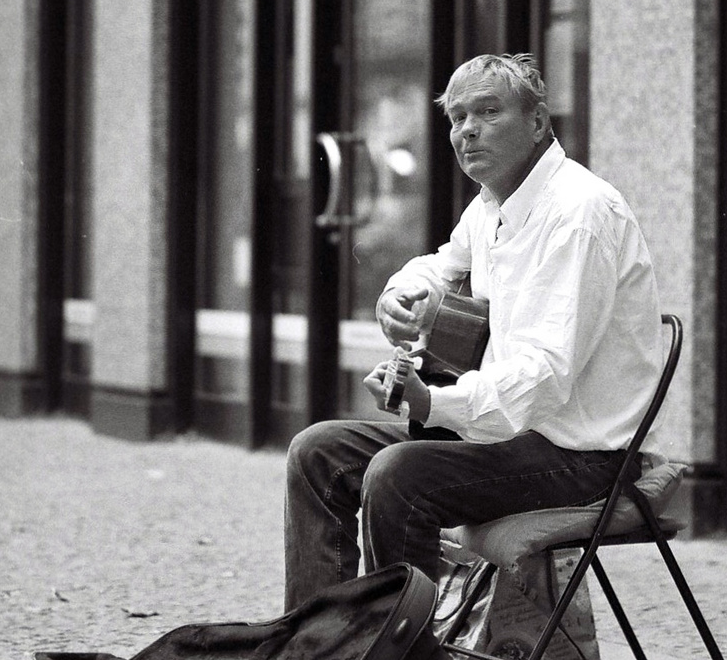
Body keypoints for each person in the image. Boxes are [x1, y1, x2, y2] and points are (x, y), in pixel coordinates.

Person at [284, 53, 663, 616]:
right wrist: (400, 295)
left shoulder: (579, 214)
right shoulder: (493, 203)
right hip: (511, 437)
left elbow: (544, 377)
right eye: (458, 117)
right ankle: (318, 650)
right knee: (317, 452)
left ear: (537, 123)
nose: (468, 130)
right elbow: (442, 263)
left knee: (399, 475)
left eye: (488, 112)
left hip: (583, 455)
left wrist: (434, 402)